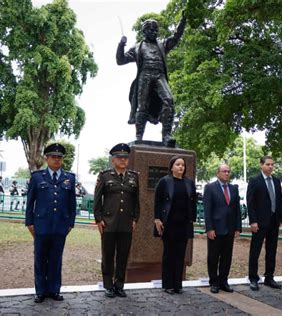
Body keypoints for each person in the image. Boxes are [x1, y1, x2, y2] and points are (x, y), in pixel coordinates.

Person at [116, 12, 186, 144]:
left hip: (159, 75)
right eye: (151, 29)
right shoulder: (138, 47)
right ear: (144, 31)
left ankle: (166, 136)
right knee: (142, 106)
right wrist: (121, 44)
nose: (154, 32)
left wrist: (183, 20)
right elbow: (121, 60)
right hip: (144, 75)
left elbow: (176, 37)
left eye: (156, 29)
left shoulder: (162, 45)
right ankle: (139, 137)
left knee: (168, 100)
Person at [25, 143, 77, 303]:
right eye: (53, 157)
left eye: (59, 157)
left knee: (56, 259)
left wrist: (70, 223)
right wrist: (29, 223)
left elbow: (72, 203)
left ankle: (54, 290)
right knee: (40, 259)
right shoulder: (37, 177)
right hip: (41, 225)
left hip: (60, 226)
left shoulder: (69, 178)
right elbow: (30, 202)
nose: (56, 160)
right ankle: (40, 291)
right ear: (46, 158)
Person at [93, 143, 140, 298]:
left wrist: (135, 219)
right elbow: (97, 199)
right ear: (113, 160)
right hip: (109, 222)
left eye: (125, 157)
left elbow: (136, 201)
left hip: (126, 223)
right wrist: (99, 219)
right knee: (107, 255)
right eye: (119, 157)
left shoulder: (134, 177)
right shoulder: (105, 176)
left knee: (123, 255)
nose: (122, 160)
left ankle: (119, 285)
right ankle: (108, 285)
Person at [154, 156, 197, 294]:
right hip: (169, 223)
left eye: (183, 165)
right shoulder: (164, 182)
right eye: (178, 164)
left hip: (184, 224)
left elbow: (193, 201)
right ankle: (168, 285)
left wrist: (193, 219)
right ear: (172, 167)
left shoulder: (189, 183)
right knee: (169, 254)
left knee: (180, 254)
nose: (181, 167)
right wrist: (157, 219)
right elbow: (158, 201)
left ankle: (178, 284)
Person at [247, 155, 282, 291]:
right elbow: (250, 203)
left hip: (274, 222)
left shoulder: (276, 181)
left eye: (272, 164)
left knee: (271, 251)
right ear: (261, 165)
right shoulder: (255, 181)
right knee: (255, 251)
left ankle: (269, 277)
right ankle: (253, 278)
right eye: (268, 164)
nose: (270, 167)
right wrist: (253, 221)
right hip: (259, 222)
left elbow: (280, 200)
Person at [203, 163, 241, 294]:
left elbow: (237, 210)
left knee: (227, 257)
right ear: (217, 173)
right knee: (213, 257)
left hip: (230, 228)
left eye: (228, 171)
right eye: (224, 171)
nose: (227, 173)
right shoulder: (210, 188)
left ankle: (223, 281)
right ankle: (213, 282)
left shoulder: (234, 188)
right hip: (216, 229)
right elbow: (207, 210)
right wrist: (209, 228)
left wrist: (238, 227)